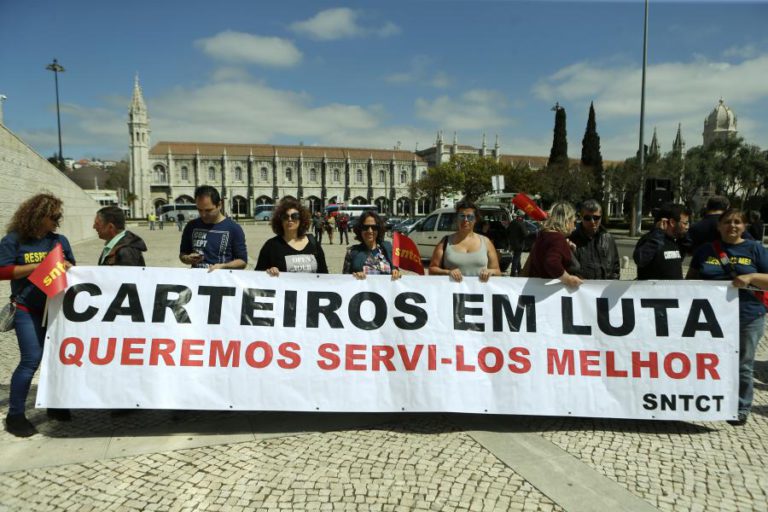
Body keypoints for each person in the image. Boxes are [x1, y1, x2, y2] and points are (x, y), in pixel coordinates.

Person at [0, 193, 76, 437]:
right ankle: (15, 415)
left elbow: (72, 267)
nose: (57, 221)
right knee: (31, 359)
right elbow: (2, 272)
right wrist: (37, 266)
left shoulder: (59, 241)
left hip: (55, 309)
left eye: (58, 217)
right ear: (38, 216)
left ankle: (55, 405)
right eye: (53, 217)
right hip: (26, 309)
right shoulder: (14, 241)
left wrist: (67, 266)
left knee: (56, 358)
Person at [686, 209, 768, 425]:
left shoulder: (755, 249)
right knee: (704, 361)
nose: (733, 226)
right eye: (728, 222)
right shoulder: (705, 251)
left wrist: (751, 276)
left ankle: (740, 407)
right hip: (708, 319)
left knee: (743, 363)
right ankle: (705, 400)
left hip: (747, 316)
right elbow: (689, 282)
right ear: (719, 226)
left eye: (738, 222)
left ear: (744, 226)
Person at [428, 200, 501, 283]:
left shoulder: (486, 242)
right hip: (452, 294)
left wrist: (490, 272)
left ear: (475, 219)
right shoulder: (445, 242)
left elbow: (497, 272)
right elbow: (432, 270)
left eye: (470, 217)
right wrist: (448, 272)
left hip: (479, 293)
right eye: (462, 216)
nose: (465, 220)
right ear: (457, 219)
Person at [179, 186, 247, 271]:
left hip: (222, 280)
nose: (203, 215)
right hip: (197, 281)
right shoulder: (191, 226)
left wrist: (223, 266)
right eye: (200, 210)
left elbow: (242, 261)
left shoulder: (234, 228)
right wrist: (187, 258)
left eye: (208, 210)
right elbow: (183, 254)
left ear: (219, 205)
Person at [255, 197, 328, 275]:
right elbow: (258, 275)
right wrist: (269, 272)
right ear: (280, 221)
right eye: (285, 217)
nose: (290, 219)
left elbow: (324, 273)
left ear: (301, 219)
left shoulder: (313, 243)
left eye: (295, 216)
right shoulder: (271, 245)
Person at [525, 202, 582, 288]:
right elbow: (552, 263)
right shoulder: (557, 239)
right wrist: (568, 279)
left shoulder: (543, 235)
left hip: (536, 288)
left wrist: (566, 249)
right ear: (567, 220)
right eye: (574, 222)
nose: (575, 227)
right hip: (550, 293)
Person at [633, 203, 690, 280]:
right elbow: (640, 260)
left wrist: (684, 236)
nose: (687, 226)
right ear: (672, 222)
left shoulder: (673, 241)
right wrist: (657, 235)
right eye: (685, 223)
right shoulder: (650, 239)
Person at [569, 199, 620, 280]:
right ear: (581, 218)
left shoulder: (608, 238)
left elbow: (615, 268)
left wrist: (612, 286)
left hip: (604, 289)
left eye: (596, 218)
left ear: (601, 217)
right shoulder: (571, 239)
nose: (592, 222)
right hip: (581, 290)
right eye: (587, 218)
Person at [342, 211, 401, 280]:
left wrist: (397, 273)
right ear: (360, 229)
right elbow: (345, 280)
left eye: (374, 227)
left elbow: (396, 272)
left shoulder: (389, 249)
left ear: (378, 229)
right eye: (365, 227)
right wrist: (354, 276)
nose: (370, 231)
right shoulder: (352, 252)